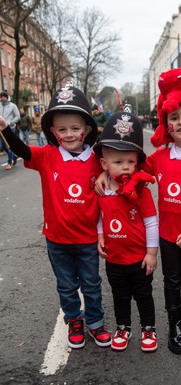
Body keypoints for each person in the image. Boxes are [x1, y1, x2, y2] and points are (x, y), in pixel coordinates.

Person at [95, 68, 181, 356]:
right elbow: (126, 168)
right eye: (173, 118)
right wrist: (102, 176)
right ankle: (175, 327)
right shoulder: (159, 157)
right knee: (172, 284)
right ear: (166, 124)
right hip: (167, 237)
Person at [0, 82, 111, 350]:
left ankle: (95, 321)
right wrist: (5, 129)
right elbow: (24, 151)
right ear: (53, 131)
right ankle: (74, 319)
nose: (70, 134)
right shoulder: (48, 156)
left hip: (86, 240)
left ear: (87, 130)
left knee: (92, 284)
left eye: (75, 128)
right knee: (66, 285)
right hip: (57, 239)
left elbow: (122, 162)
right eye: (62, 129)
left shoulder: (97, 160)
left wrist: (107, 172)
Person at [93, 106, 159, 352]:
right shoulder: (102, 188)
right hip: (115, 259)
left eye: (131, 162)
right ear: (104, 163)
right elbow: (101, 215)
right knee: (120, 297)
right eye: (118, 162)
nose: (125, 167)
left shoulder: (141, 191)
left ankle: (148, 329)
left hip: (138, 259)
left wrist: (151, 253)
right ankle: (123, 327)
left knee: (143, 295)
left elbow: (151, 222)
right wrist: (100, 234)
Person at [0, 90, 20, 169]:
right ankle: (14, 155)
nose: (2, 98)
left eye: (4, 96)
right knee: (2, 146)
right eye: (1, 97)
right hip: (1, 129)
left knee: (9, 145)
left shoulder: (13, 105)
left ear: (7, 97)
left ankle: (10, 163)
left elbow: (18, 116)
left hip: (10, 128)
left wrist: (11, 122)